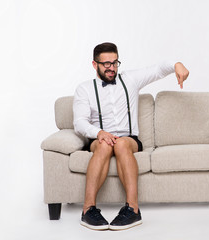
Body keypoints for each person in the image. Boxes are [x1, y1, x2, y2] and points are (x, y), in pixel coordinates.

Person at [73, 42, 189, 231]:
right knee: (104, 145)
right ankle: (88, 210)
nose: (112, 68)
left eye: (115, 62)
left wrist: (177, 64)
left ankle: (133, 210)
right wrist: (100, 133)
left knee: (120, 145)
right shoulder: (84, 89)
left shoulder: (130, 79)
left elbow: (158, 69)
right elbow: (79, 123)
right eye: (106, 64)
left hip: (128, 139)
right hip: (99, 138)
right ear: (95, 65)